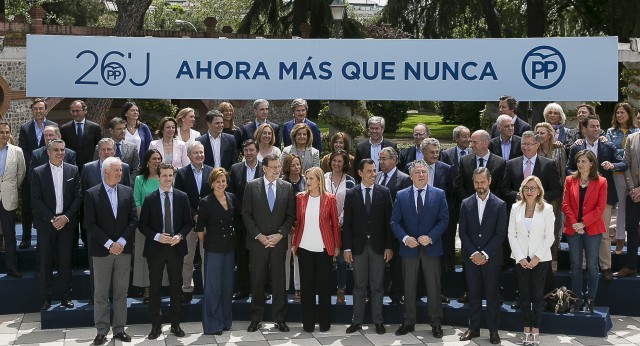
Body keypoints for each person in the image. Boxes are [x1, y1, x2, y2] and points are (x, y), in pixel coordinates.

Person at [390, 160, 448, 339]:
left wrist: (430, 236)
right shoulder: (401, 195)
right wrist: (405, 238)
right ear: (411, 175)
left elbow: (444, 220)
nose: (422, 175)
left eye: (424, 172)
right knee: (408, 287)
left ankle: (436, 323)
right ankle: (408, 322)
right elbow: (394, 221)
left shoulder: (439, 194)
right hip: (409, 249)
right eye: (418, 172)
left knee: (433, 287)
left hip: (431, 247)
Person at [84, 157, 137, 345]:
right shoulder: (91, 194)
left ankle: (119, 329)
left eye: (121, 171)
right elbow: (90, 224)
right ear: (105, 172)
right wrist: (109, 243)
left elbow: (133, 220)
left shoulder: (127, 192)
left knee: (121, 292)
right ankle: (101, 330)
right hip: (102, 251)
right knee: (101, 293)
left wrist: (121, 241)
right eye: (116, 170)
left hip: (123, 250)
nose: (120, 174)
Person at [566, 115, 625, 281]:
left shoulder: (608, 144)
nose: (596, 129)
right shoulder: (577, 148)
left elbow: (623, 164)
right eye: (592, 126)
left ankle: (605, 267)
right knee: (583, 231)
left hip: (603, 196)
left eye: (598, 126)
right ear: (584, 129)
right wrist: (579, 175)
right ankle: (584, 266)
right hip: (582, 196)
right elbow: (568, 168)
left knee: (604, 233)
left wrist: (612, 165)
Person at [242, 153, 296, 333]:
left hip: (278, 243)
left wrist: (280, 234)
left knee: (279, 283)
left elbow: (290, 216)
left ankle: (280, 319)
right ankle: (255, 319)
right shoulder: (251, 186)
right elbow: (246, 214)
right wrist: (259, 235)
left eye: (278, 167)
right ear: (264, 168)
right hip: (258, 244)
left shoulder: (287, 187)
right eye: (273, 167)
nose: (277, 170)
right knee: (257, 282)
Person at [139, 162, 193, 339]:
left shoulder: (182, 197)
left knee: (176, 288)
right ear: (158, 176)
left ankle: (175, 324)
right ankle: (156, 326)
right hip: (156, 249)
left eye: (171, 175)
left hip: (176, 248)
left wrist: (180, 236)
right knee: (154, 288)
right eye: (164, 176)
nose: (168, 179)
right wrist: (156, 236)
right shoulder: (149, 198)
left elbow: (188, 222)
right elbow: (142, 225)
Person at [342, 159, 394, 335]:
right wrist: (347, 248)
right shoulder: (351, 194)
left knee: (377, 285)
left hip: (379, 247)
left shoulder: (384, 192)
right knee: (359, 285)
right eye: (370, 171)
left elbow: (389, 222)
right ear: (360, 173)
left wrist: (389, 246)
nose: (374, 174)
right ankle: (356, 321)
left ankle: (378, 321)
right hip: (358, 247)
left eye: (374, 170)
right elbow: (347, 224)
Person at [454, 129, 505, 303]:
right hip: (470, 216)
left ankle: (494, 291)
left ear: (485, 143)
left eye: (474, 142)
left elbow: (501, 189)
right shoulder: (465, 160)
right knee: (469, 255)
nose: (471, 144)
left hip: (491, 216)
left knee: (492, 255)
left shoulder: (499, 162)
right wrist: (469, 204)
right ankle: (469, 290)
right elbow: (459, 185)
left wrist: (487, 204)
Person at [31, 139, 82, 310]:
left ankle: (65, 296)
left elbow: (78, 197)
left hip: (67, 224)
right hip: (46, 224)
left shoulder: (73, 170)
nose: (60, 153)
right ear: (48, 152)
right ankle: (46, 298)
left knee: (65, 262)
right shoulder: (38, 172)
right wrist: (52, 219)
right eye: (56, 150)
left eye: (62, 150)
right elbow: (35, 199)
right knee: (45, 262)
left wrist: (66, 217)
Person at [457, 167, 506, 344]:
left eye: (482, 182)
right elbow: (462, 232)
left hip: (491, 258)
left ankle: (493, 331)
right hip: (471, 259)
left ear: (489, 181)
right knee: (474, 294)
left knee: (492, 296)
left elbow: (500, 234)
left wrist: (484, 254)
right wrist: (474, 253)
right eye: (476, 182)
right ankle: (474, 329)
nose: (480, 186)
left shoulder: (500, 204)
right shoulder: (466, 203)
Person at [81, 138, 132, 304]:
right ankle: (95, 297)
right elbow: (83, 196)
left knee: (120, 278)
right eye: (103, 150)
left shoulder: (123, 168)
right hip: (98, 231)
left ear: (114, 150)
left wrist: (120, 240)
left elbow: (127, 198)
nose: (106, 152)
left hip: (120, 232)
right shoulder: (88, 168)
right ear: (98, 151)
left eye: (109, 149)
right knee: (97, 269)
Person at [291, 167, 340, 333]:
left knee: (325, 288)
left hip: (323, 249)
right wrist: (293, 244)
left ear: (319, 180)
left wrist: (337, 246)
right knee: (307, 288)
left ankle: (325, 324)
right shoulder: (299, 198)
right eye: (307, 178)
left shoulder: (330, 199)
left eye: (311, 178)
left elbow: (334, 225)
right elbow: (297, 223)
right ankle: (308, 324)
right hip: (304, 248)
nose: (308, 182)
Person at [508, 176, 555, 346]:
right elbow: (511, 234)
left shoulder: (547, 209)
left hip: (540, 259)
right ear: (522, 190)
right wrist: (520, 257)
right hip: (520, 258)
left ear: (539, 191)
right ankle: (526, 328)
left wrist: (536, 258)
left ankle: (535, 329)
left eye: (533, 188)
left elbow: (550, 236)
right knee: (524, 295)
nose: (529, 191)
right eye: (526, 188)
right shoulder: (515, 208)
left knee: (537, 295)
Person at [195, 167, 240, 335]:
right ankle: (213, 324)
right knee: (213, 288)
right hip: (213, 249)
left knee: (227, 286)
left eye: (223, 181)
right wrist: (210, 242)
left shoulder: (232, 198)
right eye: (217, 181)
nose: (221, 184)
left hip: (229, 248)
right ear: (212, 183)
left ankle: (225, 321)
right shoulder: (206, 202)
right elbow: (200, 229)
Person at [562, 150, 607, 314]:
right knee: (575, 266)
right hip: (573, 228)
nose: (580, 164)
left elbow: (600, 208)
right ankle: (576, 299)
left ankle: (590, 300)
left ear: (591, 164)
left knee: (592, 267)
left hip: (592, 228)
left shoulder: (601, 182)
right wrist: (575, 223)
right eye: (578, 161)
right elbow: (565, 204)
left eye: (583, 161)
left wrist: (583, 223)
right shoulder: (569, 180)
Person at [174, 142, 213, 303]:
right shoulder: (182, 173)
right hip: (188, 223)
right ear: (189, 155)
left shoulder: (212, 172)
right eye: (196, 153)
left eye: (201, 152)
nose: (199, 155)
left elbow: (215, 195)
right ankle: (186, 288)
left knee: (207, 258)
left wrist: (203, 216)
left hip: (207, 223)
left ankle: (208, 289)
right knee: (187, 257)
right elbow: (179, 197)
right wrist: (194, 214)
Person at [18, 98, 56, 249]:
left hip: (50, 174)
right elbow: (23, 150)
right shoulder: (25, 128)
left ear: (46, 110)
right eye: (36, 109)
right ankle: (26, 238)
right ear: (32, 110)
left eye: (41, 108)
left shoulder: (53, 126)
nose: (38, 111)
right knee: (27, 206)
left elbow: (56, 148)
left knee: (50, 205)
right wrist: (35, 167)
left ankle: (51, 237)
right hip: (31, 174)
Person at [228, 140, 263, 300]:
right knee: (241, 257)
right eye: (246, 150)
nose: (249, 153)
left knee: (259, 258)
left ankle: (261, 289)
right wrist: (242, 210)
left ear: (257, 151)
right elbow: (232, 193)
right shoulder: (235, 169)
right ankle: (243, 289)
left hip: (260, 221)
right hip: (241, 220)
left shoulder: (265, 168)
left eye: (251, 150)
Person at [376, 146, 411, 305]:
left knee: (396, 263)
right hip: (377, 228)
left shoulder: (404, 179)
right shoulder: (376, 177)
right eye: (380, 159)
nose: (381, 162)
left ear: (394, 160)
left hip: (396, 228)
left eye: (384, 159)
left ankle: (396, 295)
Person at [133, 149, 166, 304]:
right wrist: (145, 221)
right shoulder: (140, 179)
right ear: (147, 161)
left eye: (159, 158)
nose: (157, 161)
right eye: (154, 158)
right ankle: (146, 288)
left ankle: (158, 288)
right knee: (144, 257)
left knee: (161, 258)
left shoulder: (164, 178)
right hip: (144, 227)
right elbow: (137, 202)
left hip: (163, 226)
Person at [323, 149, 355, 303]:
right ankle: (325, 289)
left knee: (342, 260)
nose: (336, 164)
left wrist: (338, 221)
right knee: (325, 260)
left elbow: (349, 205)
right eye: (334, 160)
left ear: (344, 164)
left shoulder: (350, 181)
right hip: (324, 226)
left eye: (340, 161)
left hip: (342, 225)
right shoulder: (323, 178)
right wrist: (327, 221)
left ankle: (341, 289)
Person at [606, 103, 639, 255]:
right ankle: (619, 239)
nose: (619, 115)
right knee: (620, 209)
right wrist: (621, 155)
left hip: (633, 176)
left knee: (632, 210)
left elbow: (617, 152)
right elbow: (608, 150)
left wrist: (618, 153)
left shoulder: (636, 131)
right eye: (617, 112)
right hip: (617, 175)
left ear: (629, 114)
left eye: (622, 112)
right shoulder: (611, 132)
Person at [535, 122, 567, 272]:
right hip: (535, 196)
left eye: (542, 133)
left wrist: (560, 194)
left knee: (553, 228)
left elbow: (563, 173)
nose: (539, 136)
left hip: (554, 195)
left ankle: (553, 257)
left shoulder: (559, 149)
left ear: (549, 134)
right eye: (537, 133)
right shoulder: (534, 149)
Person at [0, 120, 26, 278]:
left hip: (8, 197)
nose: (4, 135)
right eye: (1, 132)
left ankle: (12, 267)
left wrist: (10, 187)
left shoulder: (17, 151)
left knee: (9, 234)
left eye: (7, 132)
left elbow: (20, 174)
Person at [615, 121, 640, 278]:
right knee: (631, 229)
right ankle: (631, 266)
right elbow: (626, 165)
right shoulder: (631, 138)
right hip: (633, 194)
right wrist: (632, 189)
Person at [282, 154, 304, 301]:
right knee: (285, 257)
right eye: (293, 165)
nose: (296, 168)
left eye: (298, 165)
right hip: (285, 226)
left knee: (298, 258)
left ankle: (298, 288)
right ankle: (283, 287)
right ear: (287, 167)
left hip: (301, 226)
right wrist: (287, 225)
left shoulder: (305, 181)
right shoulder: (282, 182)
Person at [94, 117, 140, 185]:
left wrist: (128, 182)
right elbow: (96, 167)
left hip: (126, 186)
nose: (123, 131)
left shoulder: (132, 147)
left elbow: (136, 169)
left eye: (124, 128)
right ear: (111, 130)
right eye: (119, 129)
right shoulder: (101, 148)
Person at [60, 100, 102, 173]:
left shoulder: (94, 127)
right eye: (73, 111)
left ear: (85, 111)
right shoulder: (65, 128)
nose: (75, 114)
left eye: (77, 111)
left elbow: (99, 147)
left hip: (90, 166)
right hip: (72, 166)